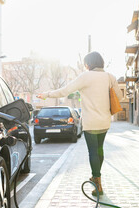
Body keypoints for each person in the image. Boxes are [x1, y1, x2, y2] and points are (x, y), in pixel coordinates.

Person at [37, 51, 123, 196]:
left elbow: (65, 90)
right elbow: (120, 96)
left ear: (88, 64)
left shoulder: (85, 77)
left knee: (93, 152)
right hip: (104, 121)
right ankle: (97, 177)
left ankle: (98, 183)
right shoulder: (110, 77)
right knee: (100, 150)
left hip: (90, 122)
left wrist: (47, 95)